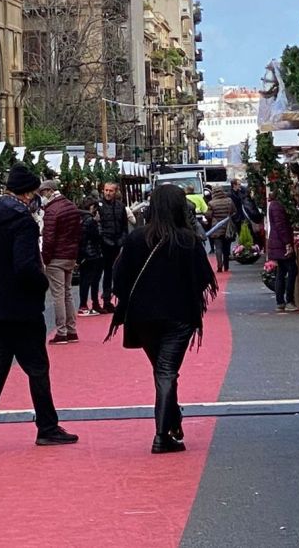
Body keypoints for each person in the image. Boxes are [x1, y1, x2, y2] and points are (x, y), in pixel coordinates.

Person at [0, 164, 78, 450]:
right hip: (22, 307)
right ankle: (47, 427)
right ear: (28, 193)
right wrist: (41, 286)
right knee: (37, 366)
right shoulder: (22, 220)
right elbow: (25, 266)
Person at [107, 185, 218, 454]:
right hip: (178, 316)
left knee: (162, 371)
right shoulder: (187, 240)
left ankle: (172, 422)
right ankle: (161, 435)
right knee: (166, 372)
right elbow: (204, 279)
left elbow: (119, 279)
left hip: (143, 318)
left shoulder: (136, 239)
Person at [39, 180, 82, 344]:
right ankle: (72, 330)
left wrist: (45, 258)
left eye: (43, 193)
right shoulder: (71, 206)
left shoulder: (52, 210)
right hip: (70, 255)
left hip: (56, 256)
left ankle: (62, 331)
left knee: (58, 295)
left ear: (49, 191)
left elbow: (48, 238)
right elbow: (78, 232)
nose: (42, 197)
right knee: (67, 293)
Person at [96, 182, 128, 312]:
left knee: (118, 271)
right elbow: (98, 226)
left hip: (117, 242)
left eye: (111, 191)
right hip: (104, 244)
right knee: (107, 272)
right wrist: (104, 240)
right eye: (106, 190)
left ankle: (119, 297)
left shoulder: (121, 206)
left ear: (116, 192)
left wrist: (122, 240)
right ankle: (107, 299)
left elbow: (124, 226)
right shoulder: (99, 206)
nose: (108, 193)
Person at [268, 192, 298, 312]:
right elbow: (281, 226)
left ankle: (280, 301)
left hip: (277, 243)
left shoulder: (274, 205)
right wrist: (287, 243)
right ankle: (288, 300)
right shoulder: (277, 206)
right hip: (281, 244)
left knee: (282, 271)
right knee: (292, 269)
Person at [77, 197, 103, 316]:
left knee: (84, 280)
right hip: (92, 253)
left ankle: (84, 304)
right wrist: (97, 222)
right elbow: (96, 237)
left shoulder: (80, 218)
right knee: (92, 280)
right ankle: (88, 304)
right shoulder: (90, 220)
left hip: (84, 254)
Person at [205, 187, 237, 272]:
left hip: (216, 227)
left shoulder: (211, 203)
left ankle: (219, 267)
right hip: (227, 227)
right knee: (226, 248)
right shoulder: (229, 201)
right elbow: (234, 211)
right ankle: (226, 265)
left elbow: (209, 215)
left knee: (218, 248)